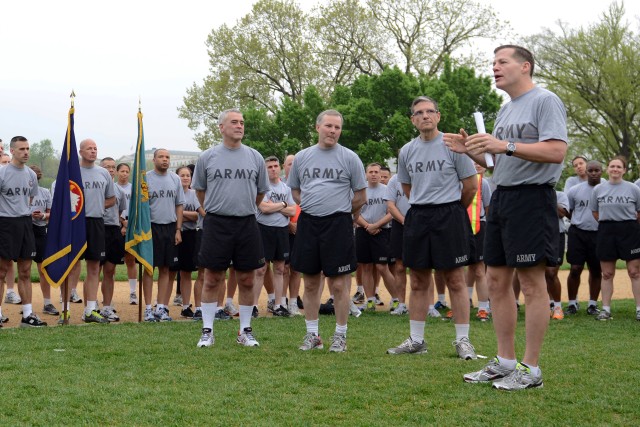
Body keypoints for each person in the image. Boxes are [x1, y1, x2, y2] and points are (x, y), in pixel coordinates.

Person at [445, 45, 568, 390]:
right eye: (493, 62)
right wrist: (472, 152)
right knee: (496, 281)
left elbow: (557, 150)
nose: (495, 67)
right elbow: (498, 164)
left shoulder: (545, 100)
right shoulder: (505, 109)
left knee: (531, 283)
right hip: (503, 198)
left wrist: (504, 145)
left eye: (502, 62)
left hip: (532, 198)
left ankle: (531, 369)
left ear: (525, 66)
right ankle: (505, 361)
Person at [387, 96, 478, 360]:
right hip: (418, 216)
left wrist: (452, 210)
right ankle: (416, 340)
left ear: (438, 116)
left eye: (430, 111)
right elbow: (406, 188)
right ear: (413, 119)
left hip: (449, 214)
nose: (425, 116)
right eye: (419, 112)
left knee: (455, 279)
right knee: (418, 279)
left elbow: (470, 185)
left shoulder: (452, 144)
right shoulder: (406, 151)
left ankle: (463, 341)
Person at [288, 109, 366, 353]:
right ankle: (312, 335)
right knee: (310, 283)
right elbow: (296, 192)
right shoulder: (302, 157)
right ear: (317, 127)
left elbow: (361, 196)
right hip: (310, 224)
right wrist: (313, 205)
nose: (333, 131)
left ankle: (340, 336)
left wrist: (340, 209)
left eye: (337, 127)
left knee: (340, 285)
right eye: (329, 126)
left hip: (338, 224)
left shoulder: (350, 157)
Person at [192, 108, 269, 348]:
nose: (239, 126)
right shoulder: (208, 157)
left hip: (246, 222)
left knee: (247, 278)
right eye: (234, 122)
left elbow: (260, 192)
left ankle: (244, 330)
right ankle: (207, 330)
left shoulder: (255, 157)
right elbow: (200, 191)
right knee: (212, 277)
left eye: (242, 122)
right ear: (221, 127)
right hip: (216, 223)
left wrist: (243, 208)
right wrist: (218, 209)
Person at [66, 138, 116, 323]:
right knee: (70, 265)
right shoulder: (71, 172)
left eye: (95, 148)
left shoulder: (104, 173)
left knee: (94, 266)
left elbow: (112, 199)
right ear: (80, 152)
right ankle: (66, 308)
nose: (93, 151)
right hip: (75, 223)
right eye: (89, 148)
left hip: (96, 222)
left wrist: (98, 205)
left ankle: (90, 310)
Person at [0, 136, 47, 327]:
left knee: (26, 271)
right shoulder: (3, 173)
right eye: (21, 149)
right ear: (12, 151)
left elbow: (29, 200)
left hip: (25, 223)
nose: (26, 152)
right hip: (5, 224)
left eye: (27, 148)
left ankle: (27, 315)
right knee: (1, 271)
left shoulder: (30, 175)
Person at [591, 157, 640, 321]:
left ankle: (639, 309)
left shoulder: (634, 189)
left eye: (619, 167)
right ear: (607, 169)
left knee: (634, 272)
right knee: (607, 273)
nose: (615, 169)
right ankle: (605, 310)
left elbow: (639, 212)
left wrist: (627, 224)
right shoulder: (598, 189)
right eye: (612, 166)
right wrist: (609, 223)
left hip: (629, 231)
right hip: (606, 230)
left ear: (624, 170)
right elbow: (595, 212)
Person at [142, 149, 185, 322]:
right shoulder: (146, 179)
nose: (165, 160)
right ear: (154, 160)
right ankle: (147, 308)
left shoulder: (175, 179)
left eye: (167, 157)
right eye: (161, 157)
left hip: (169, 227)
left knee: (166, 268)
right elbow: (139, 205)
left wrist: (178, 229)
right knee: (148, 268)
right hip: (151, 228)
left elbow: (179, 205)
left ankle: (161, 307)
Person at [354, 163, 397, 311]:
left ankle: (397, 300)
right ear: (365, 174)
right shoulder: (360, 191)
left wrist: (376, 225)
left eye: (376, 172)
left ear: (380, 174)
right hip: (363, 231)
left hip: (382, 232)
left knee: (382, 267)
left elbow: (392, 212)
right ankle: (370, 300)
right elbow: (353, 211)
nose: (373, 174)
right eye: (370, 172)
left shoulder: (386, 190)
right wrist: (367, 226)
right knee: (365, 267)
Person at [565, 160, 603, 315]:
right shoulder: (575, 190)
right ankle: (572, 304)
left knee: (596, 269)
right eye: (591, 170)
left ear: (602, 171)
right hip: (578, 232)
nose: (593, 173)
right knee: (575, 268)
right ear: (586, 172)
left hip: (599, 233)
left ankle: (592, 304)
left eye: (597, 170)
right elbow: (569, 211)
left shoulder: (607, 188)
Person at [98, 157, 127, 322]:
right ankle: (92, 306)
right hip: (97, 228)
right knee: (95, 270)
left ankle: (107, 307)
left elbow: (119, 213)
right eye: (106, 167)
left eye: (112, 167)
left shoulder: (120, 192)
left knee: (109, 270)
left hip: (113, 230)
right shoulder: (95, 188)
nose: (110, 170)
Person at [175, 165, 204, 319]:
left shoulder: (194, 194)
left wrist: (179, 213)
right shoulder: (174, 193)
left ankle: (192, 306)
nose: (186, 178)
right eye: (182, 175)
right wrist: (183, 215)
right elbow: (171, 215)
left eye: (188, 175)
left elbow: (198, 216)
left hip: (193, 234)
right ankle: (178, 306)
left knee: (193, 271)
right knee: (177, 271)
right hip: (178, 234)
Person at [29, 165, 59, 317]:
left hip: (40, 231)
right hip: (25, 230)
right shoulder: (23, 192)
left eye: (35, 176)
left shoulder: (45, 192)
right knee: (24, 269)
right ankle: (26, 305)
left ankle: (47, 303)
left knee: (43, 268)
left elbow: (51, 213)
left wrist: (42, 216)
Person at [466, 163, 492, 321]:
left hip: (478, 226)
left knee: (479, 269)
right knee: (465, 267)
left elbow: (488, 208)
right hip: (461, 226)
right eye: (474, 162)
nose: (477, 166)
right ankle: (465, 301)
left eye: (480, 163)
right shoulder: (460, 180)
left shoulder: (484, 183)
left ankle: (484, 307)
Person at [384, 172, 410, 315]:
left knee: (422, 267)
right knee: (399, 266)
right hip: (400, 224)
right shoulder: (395, 179)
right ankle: (401, 304)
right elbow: (390, 205)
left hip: (422, 222)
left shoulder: (421, 174)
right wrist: (404, 221)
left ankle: (429, 306)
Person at [282, 153, 303, 316]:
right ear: (284, 166)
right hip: (283, 229)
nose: (292, 166)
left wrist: (299, 225)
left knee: (297, 268)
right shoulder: (280, 185)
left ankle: (294, 301)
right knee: (283, 267)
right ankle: (281, 301)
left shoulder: (305, 184)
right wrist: (289, 224)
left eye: (295, 163)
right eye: (289, 163)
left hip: (301, 230)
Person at [116, 162, 138, 305]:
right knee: (109, 263)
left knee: (130, 260)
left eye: (126, 171)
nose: (124, 174)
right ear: (117, 172)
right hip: (116, 225)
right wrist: (121, 223)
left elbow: (137, 208)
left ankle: (132, 292)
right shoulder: (113, 187)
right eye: (122, 171)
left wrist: (128, 225)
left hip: (131, 226)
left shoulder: (133, 189)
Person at [546, 191, 569, 320]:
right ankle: (547, 305)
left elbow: (561, 213)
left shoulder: (559, 195)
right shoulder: (531, 193)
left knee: (551, 272)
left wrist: (547, 196)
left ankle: (557, 307)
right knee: (538, 273)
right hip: (537, 235)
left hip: (556, 235)